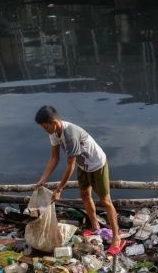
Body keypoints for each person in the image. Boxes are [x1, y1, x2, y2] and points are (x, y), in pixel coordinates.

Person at [34, 105, 123, 254]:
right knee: (84, 195)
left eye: (45, 127)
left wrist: (59, 190)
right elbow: (55, 158)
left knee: (105, 201)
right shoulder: (54, 133)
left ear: (54, 122)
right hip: (83, 165)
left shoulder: (70, 136)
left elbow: (70, 167)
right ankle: (95, 227)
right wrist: (42, 179)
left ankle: (116, 237)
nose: (45, 130)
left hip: (96, 164)